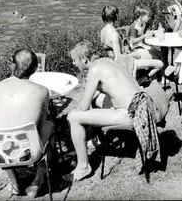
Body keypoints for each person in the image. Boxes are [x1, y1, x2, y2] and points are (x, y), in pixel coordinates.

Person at [66, 40, 164, 182]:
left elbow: (84, 106)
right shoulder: (107, 61)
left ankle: (83, 167)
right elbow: (98, 92)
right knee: (96, 100)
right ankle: (101, 140)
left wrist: (79, 106)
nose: (74, 64)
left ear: (83, 59)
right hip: (140, 105)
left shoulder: (94, 70)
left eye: (74, 60)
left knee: (73, 117)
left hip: (130, 114)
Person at [0, 49, 54, 197]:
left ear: (12, 65)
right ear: (35, 69)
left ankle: (14, 183)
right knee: (50, 126)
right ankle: (37, 181)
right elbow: (40, 126)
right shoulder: (42, 91)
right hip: (29, 152)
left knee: (2, 131)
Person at [100, 5, 163, 71]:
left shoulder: (103, 31)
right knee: (160, 63)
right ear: (116, 17)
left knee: (151, 53)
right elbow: (119, 59)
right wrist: (132, 55)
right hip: (127, 65)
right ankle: (151, 79)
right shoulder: (113, 34)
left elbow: (112, 54)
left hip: (112, 63)